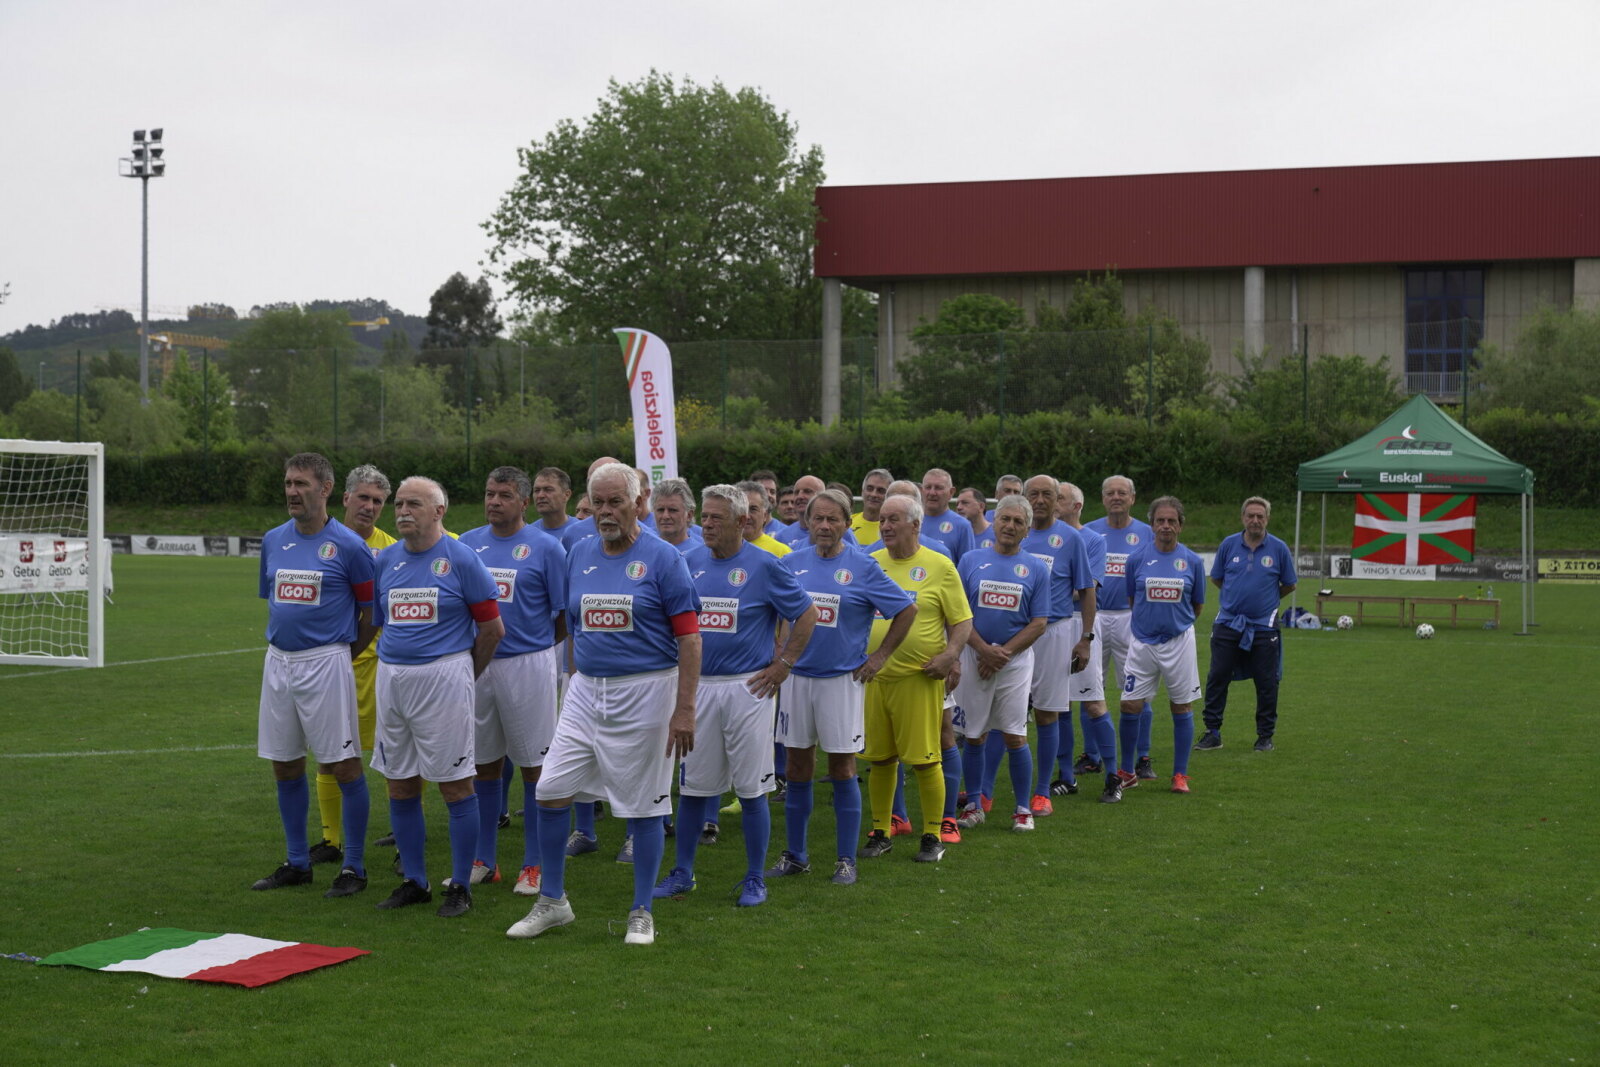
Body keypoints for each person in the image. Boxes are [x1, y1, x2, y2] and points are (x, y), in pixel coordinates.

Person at [507, 463, 701, 946]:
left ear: (639, 504)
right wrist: (574, 676)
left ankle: (641, 911)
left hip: (647, 690)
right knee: (550, 787)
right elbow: (573, 622)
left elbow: (691, 640)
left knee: (645, 804)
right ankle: (552, 901)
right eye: (599, 502)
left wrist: (684, 708)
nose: (606, 512)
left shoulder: (664, 558)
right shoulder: (579, 551)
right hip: (586, 689)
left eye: (617, 502)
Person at [653, 485, 818, 906]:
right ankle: (683, 872)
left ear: (743, 522)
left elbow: (807, 614)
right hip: (697, 688)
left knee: (751, 788)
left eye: (716, 519)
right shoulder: (686, 562)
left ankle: (753, 878)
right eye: (704, 517)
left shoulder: (766, 565)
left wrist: (784, 665)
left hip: (748, 689)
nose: (706, 525)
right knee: (693, 788)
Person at [371, 476, 504, 917]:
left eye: (414, 504)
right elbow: (380, 621)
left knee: (455, 784)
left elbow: (492, 629)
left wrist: (463, 673)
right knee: (400, 782)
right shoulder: (385, 559)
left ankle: (460, 884)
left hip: (443, 679)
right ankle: (415, 880)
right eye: (400, 504)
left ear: (438, 511)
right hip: (393, 679)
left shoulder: (461, 558)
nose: (403, 510)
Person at [769, 489, 915, 885]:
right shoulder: (791, 562)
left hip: (842, 681)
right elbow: (779, 613)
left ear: (847, 524)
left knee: (842, 766)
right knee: (797, 766)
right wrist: (779, 654)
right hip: (798, 679)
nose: (825, 526)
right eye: (818, 519)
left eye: (834, 519)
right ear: (808, 522)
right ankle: (796, 854)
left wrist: (880, 656)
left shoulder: (863, 567)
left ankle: (845, 859)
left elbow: (906, 609)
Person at [252, 453, 378, 899]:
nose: (291, 491)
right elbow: (272, 597)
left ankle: (354, 866)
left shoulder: (349, 546)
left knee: (342, 764)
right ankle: (297, 862)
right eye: (288, 483)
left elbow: (371, 611)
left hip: (326, 661)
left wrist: (345, 653)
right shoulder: (273, 540)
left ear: (325, 490)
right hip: (278, 661)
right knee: (284, 763)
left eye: (301, 484)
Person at [458, 467, 567, 898]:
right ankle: (484, 859)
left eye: (504, 495)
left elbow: (562, 617)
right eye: (489, 493)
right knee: (483, 763)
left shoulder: (546, 548)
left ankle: (534, 863)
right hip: (479, 662)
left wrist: (535, 648)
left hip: (528, 665)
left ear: (523, 502)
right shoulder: (467, 544)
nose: (494, 502)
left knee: (534, 766)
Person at [861, 495, 972, 864]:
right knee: (879, 758)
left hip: (918, 678)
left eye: (894, 519)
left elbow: (962, 620)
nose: (886, 526)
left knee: (925, 759)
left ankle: (932, 834)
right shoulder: (870, 563)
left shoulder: (940, 566)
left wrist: (950, 655)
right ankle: (880, 831)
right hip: (874, 679)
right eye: (882, 520)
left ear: (915, 525)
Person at [306, 464, 394, 866]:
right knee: (329, 753)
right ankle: (330, 838)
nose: (370, 507)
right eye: (363, 498)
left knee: (397, 753)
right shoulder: (320, 543)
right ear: (345, 498)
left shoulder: (392, 548)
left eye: (378, 501)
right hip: (335, 666)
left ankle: (400, 826)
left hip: (382, 668)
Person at [952, 495, 1049, 832]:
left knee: (1015, 736)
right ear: (994, 523)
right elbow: (958, 613)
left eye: (1018, 522)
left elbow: (1038, 622)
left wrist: (1001, 654)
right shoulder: (969, 560)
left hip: (1015, 662)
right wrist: (982, 650)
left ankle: (1023, 808)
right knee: (974, 735)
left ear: (1027, 529)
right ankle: (975, 804)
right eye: (1005, 519)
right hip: (974, 656)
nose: (1010, 526)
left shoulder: (1036, 568)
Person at [1018, 475, 1104, 815]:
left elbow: (1087, 591)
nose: (1039, 500)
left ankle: (1042, 792)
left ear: (1057, 500)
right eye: (1033, 494)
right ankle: (981, 793)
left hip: (1054, 631)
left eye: (1046, 495)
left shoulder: (1070, 539)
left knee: (1047, 712)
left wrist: (1085, 639)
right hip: (1014, 634)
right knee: (1004, 716)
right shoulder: (1012, 531)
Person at [1110, 495, 1205, 800]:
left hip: (1179, 642)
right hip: (1141, 641)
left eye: (1172, 521)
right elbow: (1132, 600)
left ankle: (1179, 774)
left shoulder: (1191, 561)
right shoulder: (1137, 559)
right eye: (1160, 521)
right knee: (1129, 705)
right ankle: (1127, 771)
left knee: (1181, 706)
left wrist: (1173, 623)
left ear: (1180, 525)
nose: (1166, 526)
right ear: (1151, 525)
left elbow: (1197, 605)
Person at [1200, 497, 1297, 752]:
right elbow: (1218, 578)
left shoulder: (1278, 548)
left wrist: (1267, 601)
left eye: (1260, 516)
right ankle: (1212, 732)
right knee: (1218, 676)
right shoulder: (1228, 545)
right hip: (1228, 623)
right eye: (1251, 516)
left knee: (1267, 682)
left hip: (1264, 627)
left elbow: (1289, 584)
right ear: (1243, 517)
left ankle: (1265, 736)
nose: (1255, 520)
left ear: (1267, 519)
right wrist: (1236, 599)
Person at [1084, 475, 1157, 779]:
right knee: (1088, 685)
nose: (1116, 497)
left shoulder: (1147, 533)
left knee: (1137, 688)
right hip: (1095, 617)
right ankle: (1091, 755)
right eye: (1110, 493)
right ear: (1102, 499)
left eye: (1122, 493)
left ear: (1132, 498)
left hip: (1131, 617)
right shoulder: (1089, 532)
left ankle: (1143, 755)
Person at [1051, 481, 1108, 795]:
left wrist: (1049, 593)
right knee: (1058, 705)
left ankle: (1114, 774)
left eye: (1060, 498)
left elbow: (1088, 587)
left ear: (1076, 506)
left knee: (1094, 702)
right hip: (1050, 621)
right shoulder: (1046, 536)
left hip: (1078, 622)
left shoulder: (1092, 540)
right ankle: (1064, 775)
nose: (1054, 503)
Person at [919, 468, 975, 563]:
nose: (932, 493)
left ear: (951, 492)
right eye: (928, 487)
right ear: (921, 490)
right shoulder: (910, 521)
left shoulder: (962, 526)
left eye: (938, 488)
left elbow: (967, 566)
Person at [737, 481, 792, 558]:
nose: (747, 516)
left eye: (753, 509)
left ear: (765, 516)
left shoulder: (782, 553)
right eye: (742, 509)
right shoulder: (719, 550)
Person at [651, 477, 702, 553]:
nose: (665, 516)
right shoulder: (643, 549)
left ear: (689, 515)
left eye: (672, 510)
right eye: (660, 510)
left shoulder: (701, 553)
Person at [776, 475, 827, 546]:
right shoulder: (781, 537)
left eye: (807, 491)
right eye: (796, 492)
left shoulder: (839, 532)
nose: (800, 496)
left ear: (822, 496)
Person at [532, 466, 579, 541]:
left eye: (548, 490)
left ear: (566, 495)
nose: (540, 495)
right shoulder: (528, 534)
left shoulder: (582, 531)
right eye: (537, 490)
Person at [850, 468, 893, 545]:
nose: (874, 494)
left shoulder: (892, 529)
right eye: (870, 489)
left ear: (889, 496)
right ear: (862, 492)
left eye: (880, 491)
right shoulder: (847, 524)